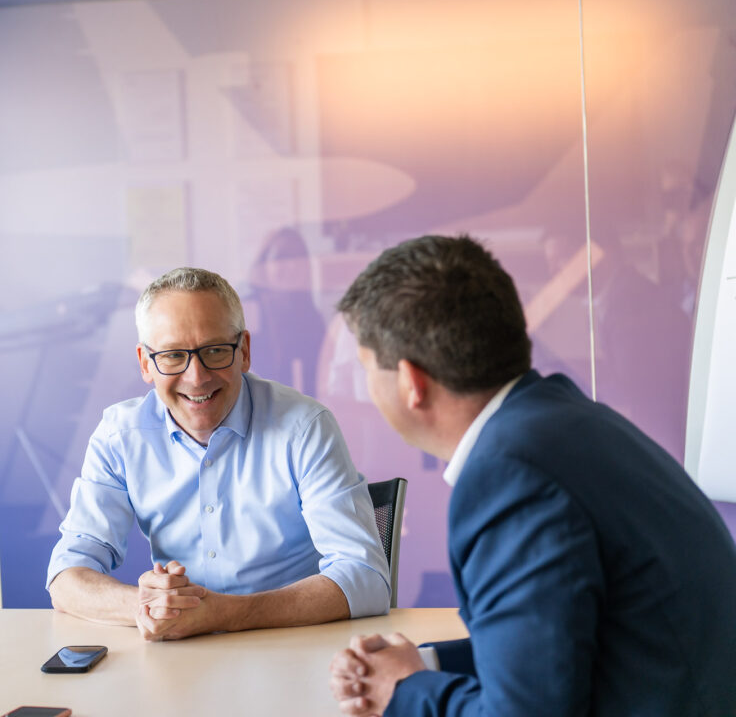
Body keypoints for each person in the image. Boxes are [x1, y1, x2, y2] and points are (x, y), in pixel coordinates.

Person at [328, 235, 736, 716]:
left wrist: (404, 693)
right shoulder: (566, 420)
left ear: (411, 383)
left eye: (364, 369)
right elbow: (555, 643)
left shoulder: (509, 477)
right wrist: (425, 664)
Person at [47, 267, 390, 641]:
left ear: (244, 351)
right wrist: (147, 606)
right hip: (180, 662)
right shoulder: (120, 436)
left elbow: (366, 578)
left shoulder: (304, 428)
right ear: (146, 363)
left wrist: (222, 614)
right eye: (174, 356)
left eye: (214, 351)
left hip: (291, 651)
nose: (197, 377)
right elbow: (67, 576)